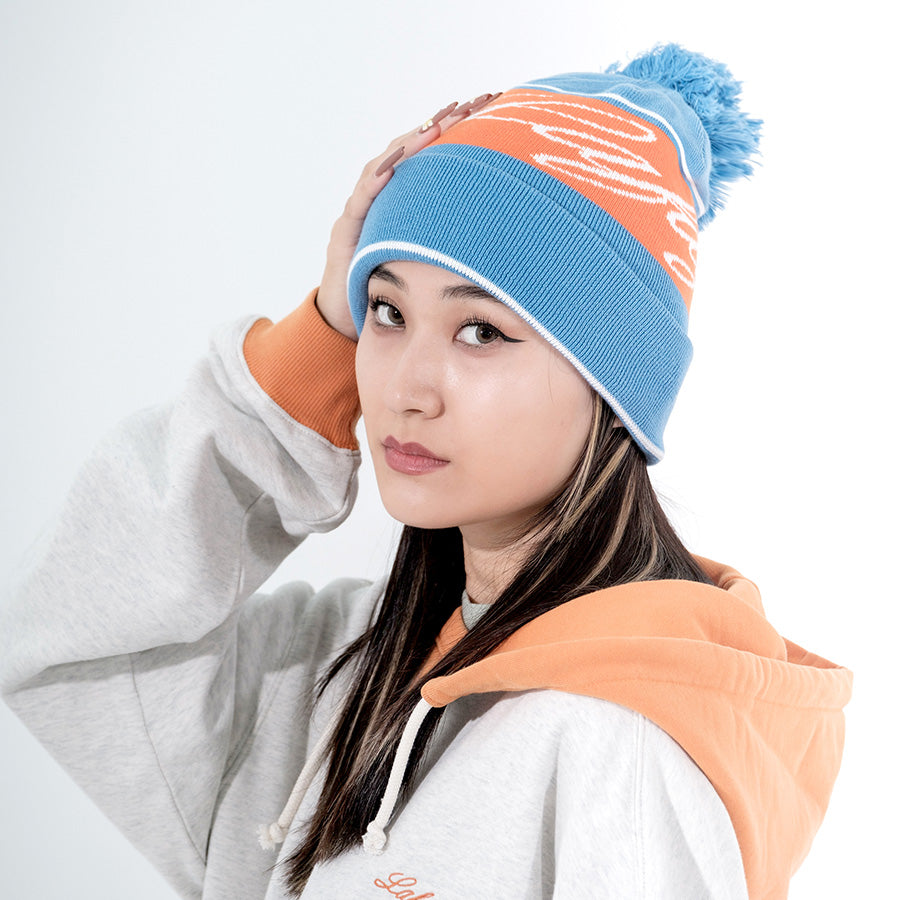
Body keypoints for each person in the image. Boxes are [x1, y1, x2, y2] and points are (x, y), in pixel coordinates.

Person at [0, 44, 851, 899]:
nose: (404, 389)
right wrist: (313, 345)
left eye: (480, 331)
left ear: (614, 385)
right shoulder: (344, 669)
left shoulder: (622, 746)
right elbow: (69, 637)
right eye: (385, 311)